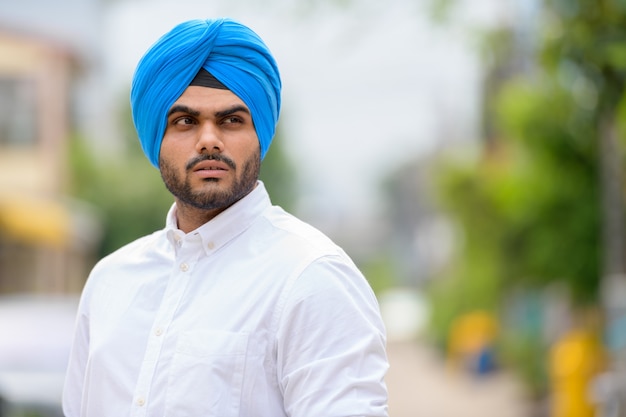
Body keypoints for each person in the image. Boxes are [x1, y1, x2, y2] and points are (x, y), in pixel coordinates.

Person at [62, 18, 389, 417]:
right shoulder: (110, 282)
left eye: (231, 120)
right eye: (185, 121)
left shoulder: (310, 278)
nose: (209, 140)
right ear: (156, 139)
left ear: (260, 135)